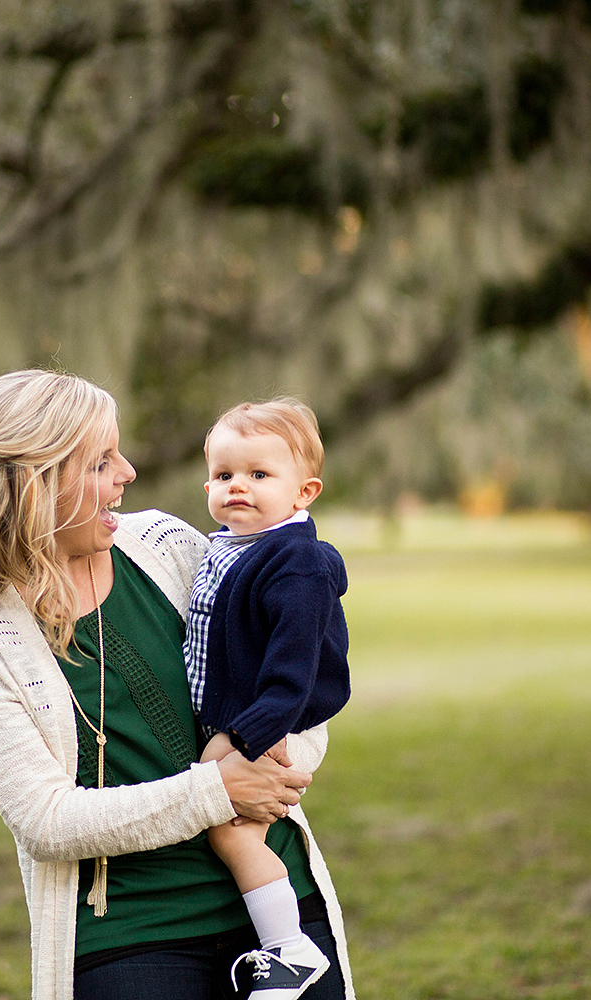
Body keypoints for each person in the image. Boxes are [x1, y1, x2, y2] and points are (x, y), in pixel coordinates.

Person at [0, 370, 354, 1000]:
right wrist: (217, 790)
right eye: (101, 462)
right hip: (127, 930)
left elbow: (294, 663)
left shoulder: (169, 547)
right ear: (37, 485)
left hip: (274, 896)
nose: (128, 472)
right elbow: (46, 821)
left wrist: (277, 767)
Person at [184, 399, 350, 1000]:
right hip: (248, 717)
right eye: (225, 475)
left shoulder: (298, 562)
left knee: (229, 830)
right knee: (233, 829)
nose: (238, 488)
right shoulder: (229, 547)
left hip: (273, 722)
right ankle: (283, 946)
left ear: (304, 491)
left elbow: (295, 669)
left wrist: (244, 737)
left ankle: (289, 949)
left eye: (259, 475)